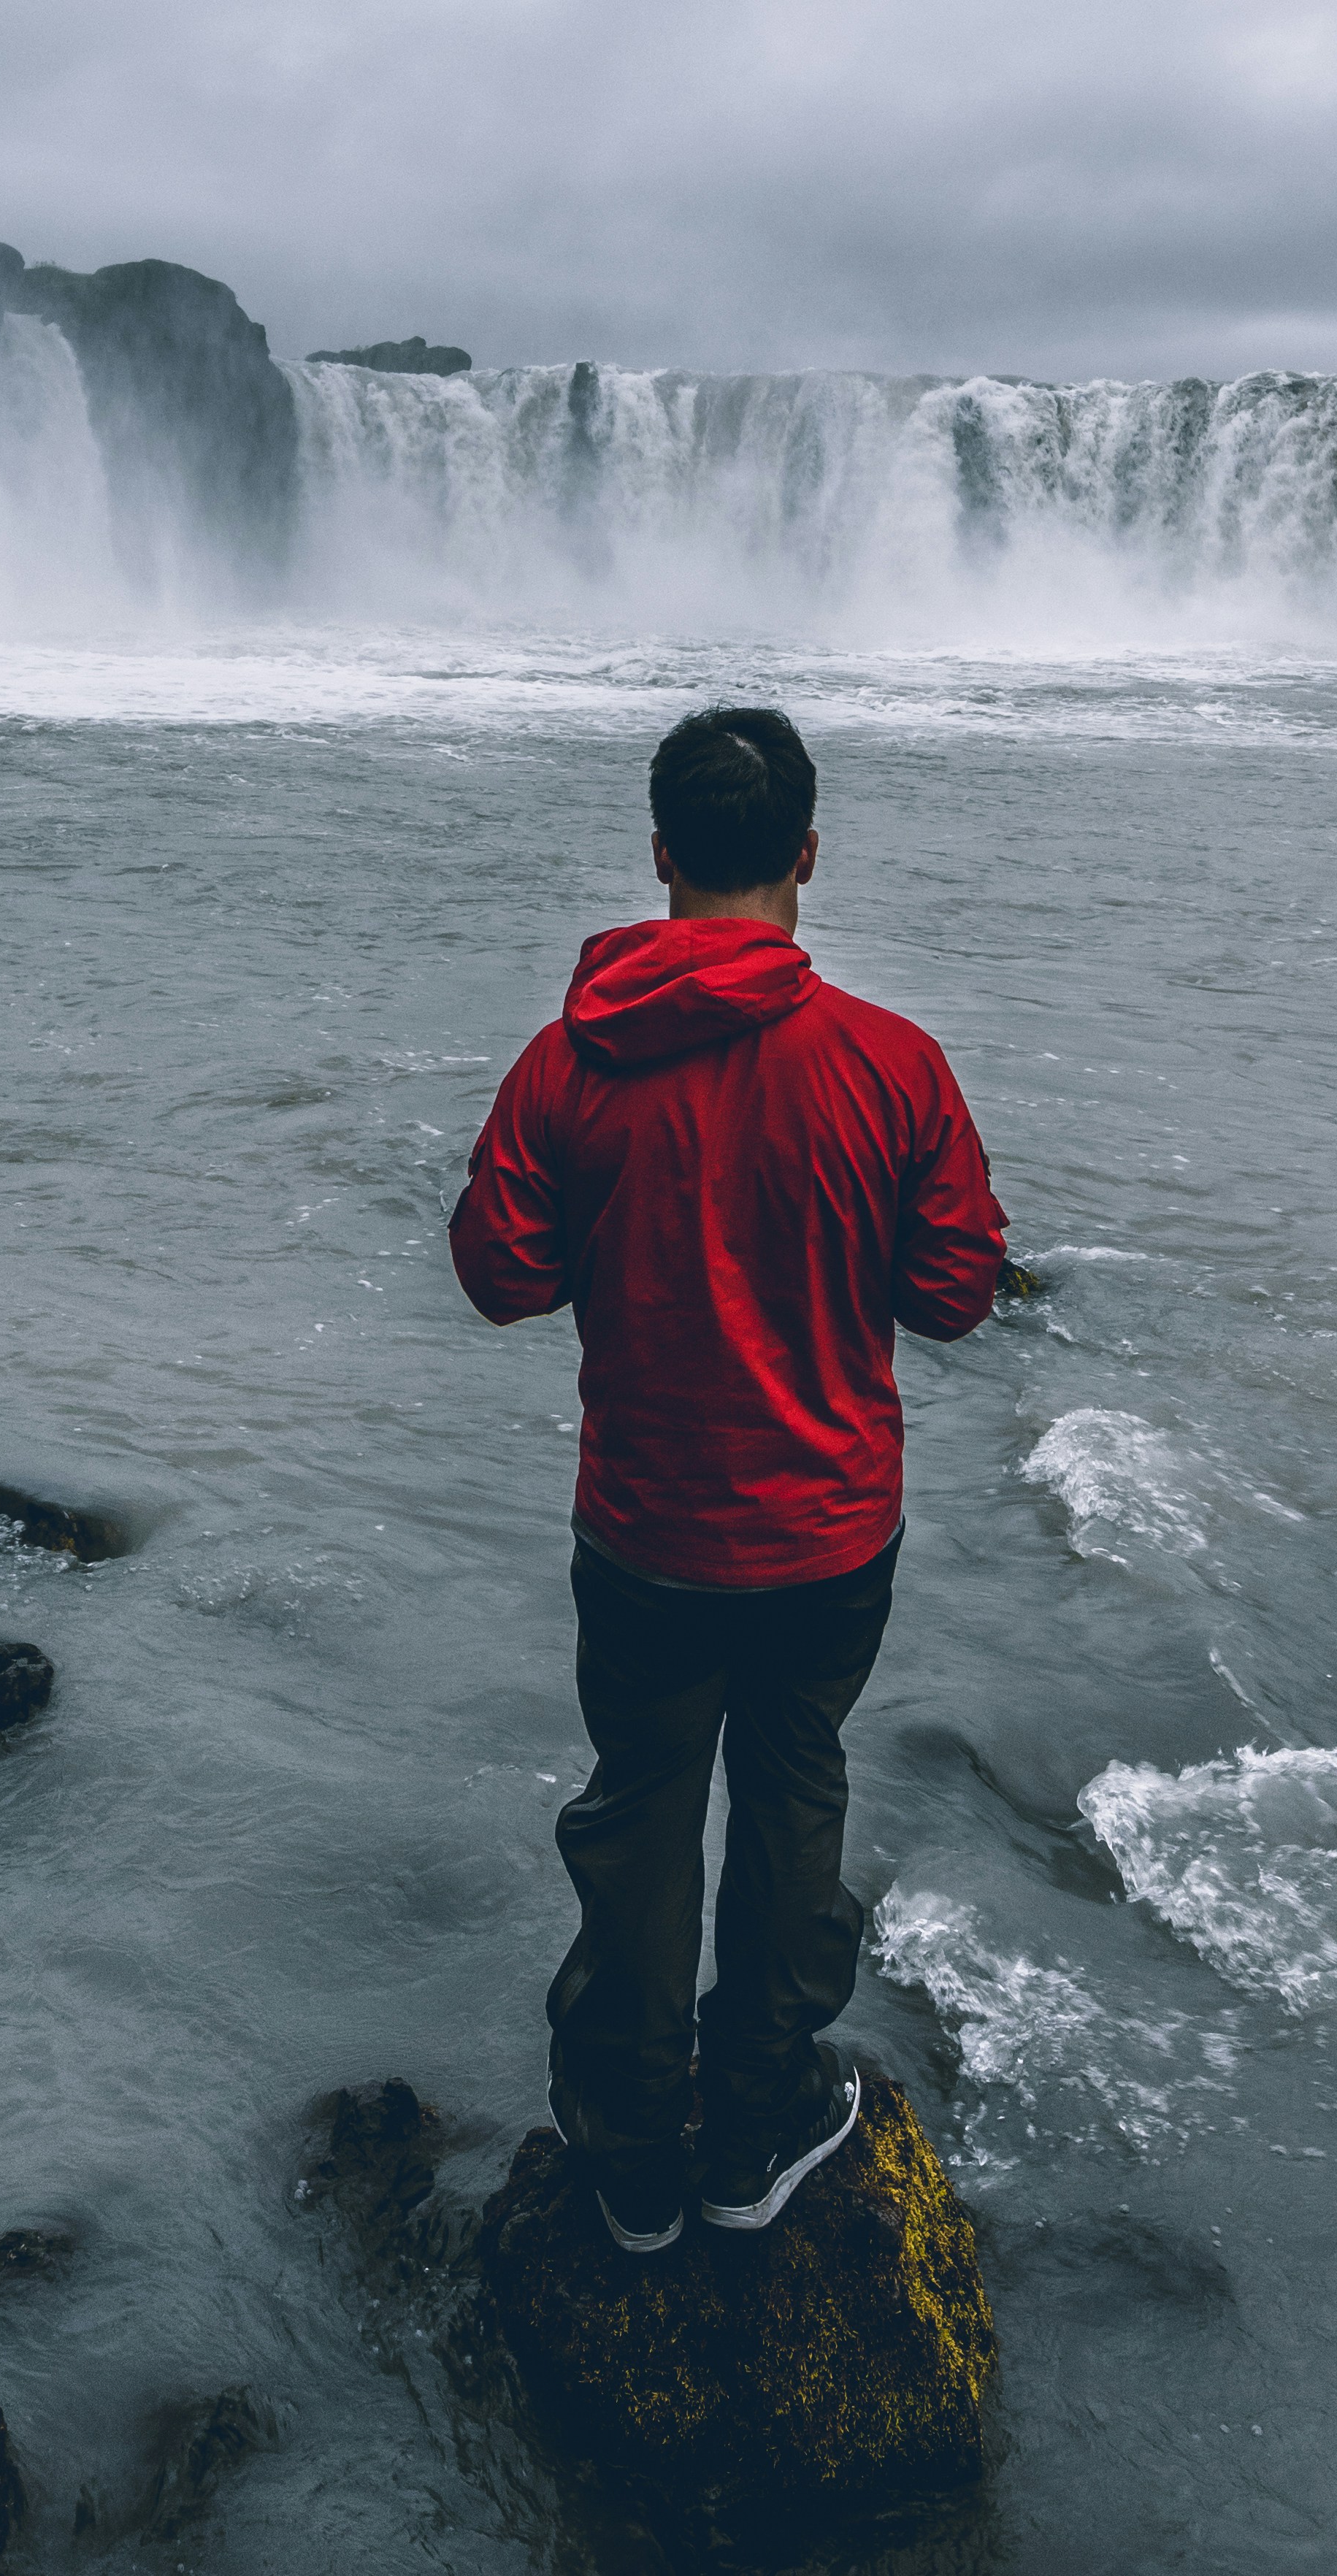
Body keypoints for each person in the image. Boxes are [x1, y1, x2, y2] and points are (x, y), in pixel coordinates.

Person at [449, 702, 1006, 2255]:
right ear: (808, 856)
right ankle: (754, 2129)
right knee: (791, 1794)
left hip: (640, 1530)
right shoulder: (892, 1064)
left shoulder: (567, 1065)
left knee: (636, 1816)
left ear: (659, 857)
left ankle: (627, 2157)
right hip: (828, 1530)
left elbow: (498, 1274)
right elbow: (956, 1288)